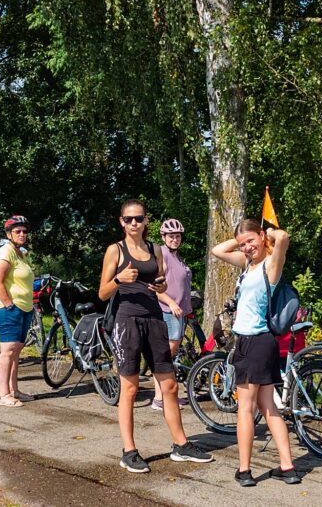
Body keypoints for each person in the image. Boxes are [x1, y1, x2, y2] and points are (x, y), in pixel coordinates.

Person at [98, 199, 213, 473]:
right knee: (130, 388)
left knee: (170, 385)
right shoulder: (115, 251)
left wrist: (160, 285)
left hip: (154, 319)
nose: (134, 223)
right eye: (129, 219)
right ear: (121, 222)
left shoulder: (155, 249)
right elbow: (102, 293)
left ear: (146, 220)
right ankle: (129, 451)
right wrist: (119, 280)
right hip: (127, 320)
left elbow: (158, 281)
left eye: (138, 218)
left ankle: (181, 445)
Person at [211, 218, 300, 487]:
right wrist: (242, 238)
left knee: (245, 410)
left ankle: (245, 470)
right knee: (268, 407)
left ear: (261, 236)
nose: (247, 247)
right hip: (255, 343)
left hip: (255, 341)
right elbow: (218, 251)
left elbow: (283, 237)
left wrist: (268, 233)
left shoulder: (271, 265)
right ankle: (288, 467)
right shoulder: (249, 264)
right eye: (242, 244)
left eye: (251, 241)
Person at [0, 216, 36, 407]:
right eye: (17, 231)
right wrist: (8, 303)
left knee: (16, 351)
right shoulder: (5, 252)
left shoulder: (21, 253)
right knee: (7, 351)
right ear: (9, 234)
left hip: (24, 307)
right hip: (7, 308)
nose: (22, 234)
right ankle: (2, 394)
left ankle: (14, 390)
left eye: (24, 231)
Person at [151, 218, 192, 411]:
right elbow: (156, 287)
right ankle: (160, 398)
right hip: (168, 310)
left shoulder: (177, 256)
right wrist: (172, 303)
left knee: (170, 354)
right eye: (171, 236)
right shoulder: (163, 255)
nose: (175, 239)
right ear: (164, 237)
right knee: (165, 353)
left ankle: (168, 395)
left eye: (177, 236)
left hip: (179, 311)